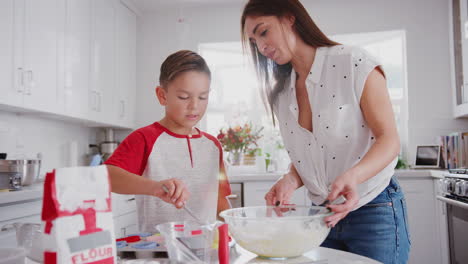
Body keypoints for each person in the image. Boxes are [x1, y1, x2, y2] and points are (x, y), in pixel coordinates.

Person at [241, 0, 410, 263]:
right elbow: (310, 152)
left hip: (373, 209)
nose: (261, 47)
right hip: (321, 218)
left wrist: (354, 176)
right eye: (254, 41)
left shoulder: (353, 62)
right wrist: (291, 179)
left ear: (289, 18)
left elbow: (389, 140)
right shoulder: (281, 93)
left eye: (263, 32)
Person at [105, 50, 231, 232]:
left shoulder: (213, 145)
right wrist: (154, 187)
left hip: (205, 249)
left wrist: (231, 234)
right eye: (184, 97)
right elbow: (108, 176)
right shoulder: (145, 138)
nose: (194, 106)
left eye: (203, 97)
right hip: (160, 251)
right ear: (162, 95)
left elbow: (220, 200)